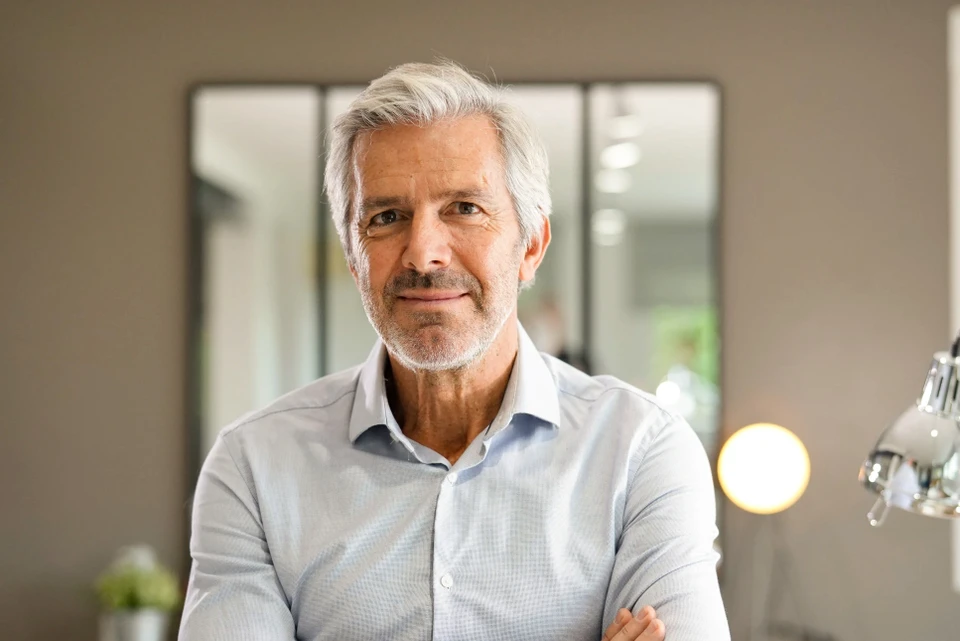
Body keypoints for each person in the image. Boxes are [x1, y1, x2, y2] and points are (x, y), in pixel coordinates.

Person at [178, 61, 730, 641]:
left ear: (531, 247)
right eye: (387, 217)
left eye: (464, 208)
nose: (423, 253)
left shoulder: (643, 452)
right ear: (352, 256)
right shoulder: (253, 467)